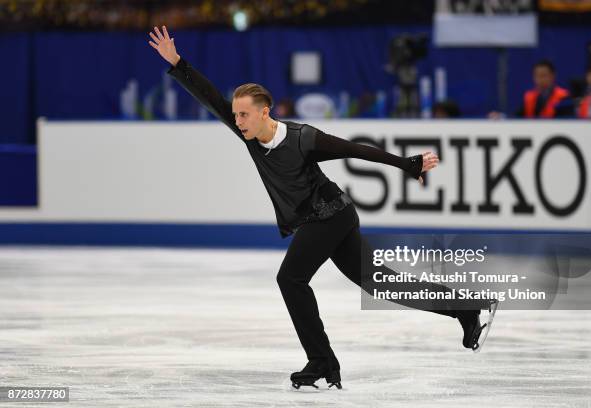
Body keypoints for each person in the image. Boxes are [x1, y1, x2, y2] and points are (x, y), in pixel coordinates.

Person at [148, 26, 490, 390]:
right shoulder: (248, 136)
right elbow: (211, 98)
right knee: (382, 283)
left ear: (265, 112)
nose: (238, 121)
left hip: (329, 214)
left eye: (245, 115)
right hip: (327, 218)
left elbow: (355, 149)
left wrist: (408, 165)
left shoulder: (302, 138)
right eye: (236, 115)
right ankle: (466, 310)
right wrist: (178, 64)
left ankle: (322, 362)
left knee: (291, 279)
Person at [489, 59, 572, 119]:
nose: (540, 80)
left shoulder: (563, 96)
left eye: (543, 76)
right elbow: (517, 116)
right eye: (537, 76)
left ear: (552, 76)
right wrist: (502, 117)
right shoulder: (530, 97)